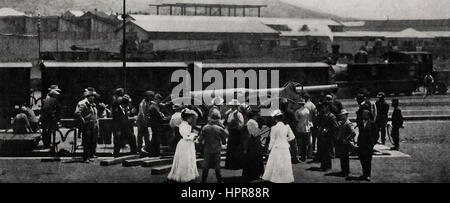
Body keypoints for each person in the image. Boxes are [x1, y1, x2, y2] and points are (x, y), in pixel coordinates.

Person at [262, 109, 295, 183]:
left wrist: (269, 148)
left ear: (275, 119)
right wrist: (286, 139)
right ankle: (284, 178)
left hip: (276, 147)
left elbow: (272, 140)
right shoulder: (287, 126)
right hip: (284, 147)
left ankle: (276, 178)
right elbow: (292, 137)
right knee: (284, 162)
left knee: (276, 163)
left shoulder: (273, 128)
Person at [167, 109, 199, 183]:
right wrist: (193, 136)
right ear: (186, 117)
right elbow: (185, 136)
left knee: (189, 158)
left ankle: (188, 175)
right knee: (185, 159)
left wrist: (193, 136)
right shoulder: (183, 125)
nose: (191, 119)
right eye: (190, 117)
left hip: (188, 144)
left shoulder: (187, 124)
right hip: (185, 143)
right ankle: (183, 176)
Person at [198, 111, 228, 183]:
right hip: (217, 149)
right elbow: (225, 138)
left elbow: (200, 139)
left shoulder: (205, 128)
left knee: (206, 165)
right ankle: (219, 180)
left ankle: (203, 180)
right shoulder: (220, 129)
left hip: (207, 149)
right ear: (218, 119)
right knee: (217, 166)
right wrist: (222, 126)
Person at [74, 88, 100, 163]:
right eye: (93, 96)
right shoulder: (83, 103)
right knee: (87, 141)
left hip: (93, 124)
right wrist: (83, 121)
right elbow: (77, 113)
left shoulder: (92, 104)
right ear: (89, 96)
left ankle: (91, 154)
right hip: (87, 125)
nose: (94, 98)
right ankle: (86, 157)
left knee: (93, 140)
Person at [242, 107, 264, 182]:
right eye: (257, 115)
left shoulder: (250, 122)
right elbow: (255, 134)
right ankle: (254, 175)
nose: (258, 116)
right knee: (255, 159)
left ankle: (252, 175)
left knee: (252, 159)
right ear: (254, 115)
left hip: (252, 142)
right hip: (253, 142)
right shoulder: (253, 122)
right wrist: (260, 129)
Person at [316, 102, 339, 171]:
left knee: (326, 152)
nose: (323, 108)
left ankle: (325, 166)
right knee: (324, 152)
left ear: (327, 107)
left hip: (328, 137)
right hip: (323, 136)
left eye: (324, 107)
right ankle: (326, 166)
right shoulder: (324, 115)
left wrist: (328, 130)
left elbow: (336, 127)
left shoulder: (331, 116)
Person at [357, 110, 379, 181]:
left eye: (365, 114)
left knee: (368, 161)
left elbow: (376, 135)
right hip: (362, 145)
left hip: (368, 146)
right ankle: (364, 174)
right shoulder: (360, 123)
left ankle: (368, 175)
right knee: (362, 160)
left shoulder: (372, 123)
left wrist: (372, 144)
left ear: (368, 115)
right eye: (363, 114)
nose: (363, 116)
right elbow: (360, 134)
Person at [224, 100, 245, 170]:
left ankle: (235, 165)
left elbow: (241, 124)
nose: (231, 107)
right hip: (231, 132)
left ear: (235, 106)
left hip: (236, 133)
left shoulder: (238, 114)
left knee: (235, 149)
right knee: (231, 148)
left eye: (232, 105)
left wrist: (236, 125)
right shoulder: (230, 113)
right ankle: (230, 165)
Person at [335, 109, 357, 177]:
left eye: (343, 115)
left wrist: (346, 140)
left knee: (345, 158)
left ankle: (345, 172)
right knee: (343, 158)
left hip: (345, 143)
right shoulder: (342, 122)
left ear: (346, 115)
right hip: (341, 142)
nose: (342, 116)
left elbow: (353, 133)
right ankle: (343, 171)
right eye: (341, 115)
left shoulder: (348, 123)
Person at [303, 93, 317, 157]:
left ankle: (304, 153)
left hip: (304, 123)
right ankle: (310, 153)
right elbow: (315, 115)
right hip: (311, 123)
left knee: (304, 139)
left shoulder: (304, 105)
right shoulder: (313, 105)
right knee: (310, 139)